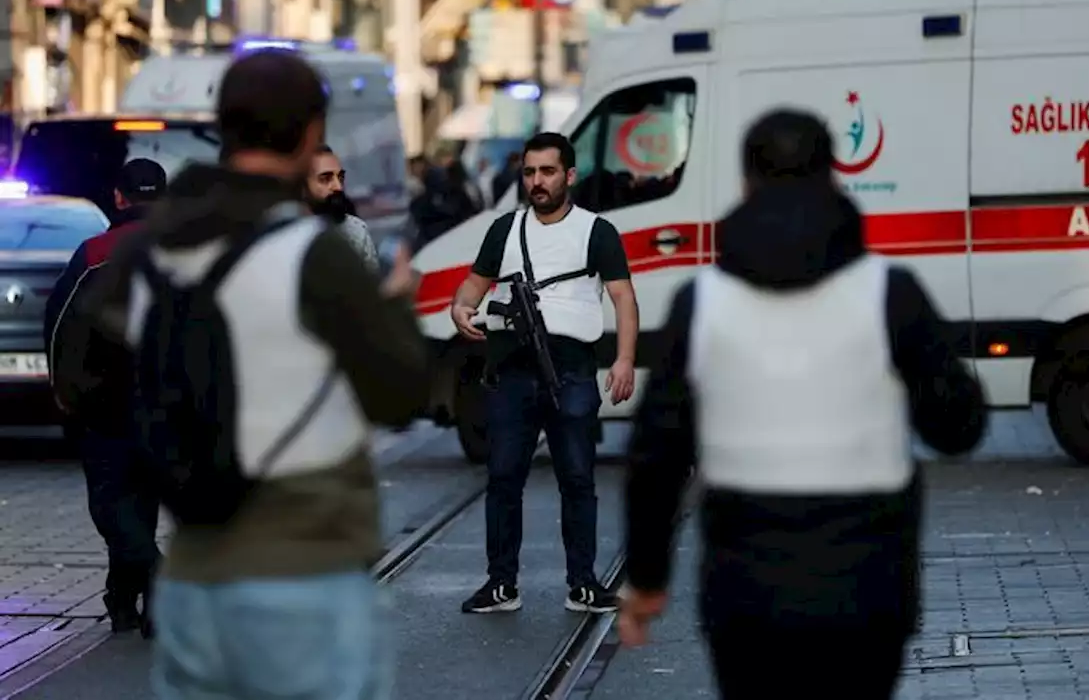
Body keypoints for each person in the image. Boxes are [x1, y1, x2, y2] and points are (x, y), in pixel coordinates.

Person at [71, 49, 428, 700]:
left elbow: (93, 375)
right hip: (306, 567)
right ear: (310, 130)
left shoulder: (148, 256)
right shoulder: (316, 253)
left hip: (196, 569)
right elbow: (402, 392)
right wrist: (393, 304)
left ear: (222, 126)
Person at [616, 110, 989, 699]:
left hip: (746, 597)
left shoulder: (701, 305)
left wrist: (647, 580)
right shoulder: (890, 295)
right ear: (834, 180)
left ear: (744, 186)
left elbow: (655, 457)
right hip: (866, 592)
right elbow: (958, 428)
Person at [451, 131, 638, 615]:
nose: (537, 181)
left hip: (571, 368)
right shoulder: (505, 229)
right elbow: (472, 286)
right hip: (512, 369)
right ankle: (501, 585)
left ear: (569, 176)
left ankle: (583, 584)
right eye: (530, 172)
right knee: (503, 477)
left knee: (577, 478)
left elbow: (623, 297)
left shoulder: (596, 231)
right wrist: (460, 309)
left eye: (548, 171)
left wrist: (622, 359)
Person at [44, 157, 169, 637]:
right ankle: (125, 600)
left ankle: (153, 576)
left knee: (113, 505)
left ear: (118, 198)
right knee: (141, 504)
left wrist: (65, 390)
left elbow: (60, 326)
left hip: (106, 406)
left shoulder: (94, 253)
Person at [304, 143, 380, 272]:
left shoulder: (356, 230)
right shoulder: (285, 237)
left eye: (340, 178)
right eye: (326, 179)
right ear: (303, 185)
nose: (338, 186)